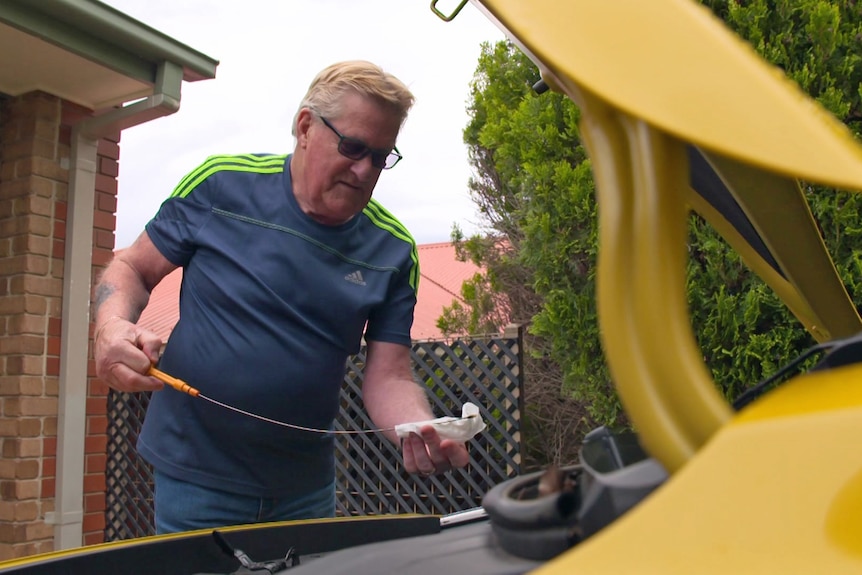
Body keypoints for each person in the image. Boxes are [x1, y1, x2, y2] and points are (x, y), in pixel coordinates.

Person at [92, 60, 471, 534]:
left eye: (380, 156)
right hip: (194, 478)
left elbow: (390, 376)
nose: (364, 169)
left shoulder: (392, 250)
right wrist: (110, 327)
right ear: (306, 126)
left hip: (305, 491)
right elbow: (132, 267)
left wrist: (420, 426)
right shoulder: (221, 186)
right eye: (353, 147)